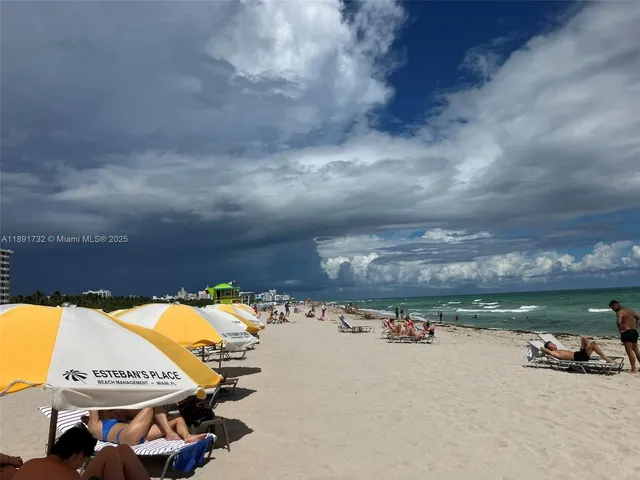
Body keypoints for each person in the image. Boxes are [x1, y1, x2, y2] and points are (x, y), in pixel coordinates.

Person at [14, 425, 151, 480]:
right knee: (112, 451)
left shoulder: (29, 464)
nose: (81, 465)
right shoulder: (69, 475)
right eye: (84, 460)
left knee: (120, 450)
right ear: (78, 455)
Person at [86, 407, 205, 446]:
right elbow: (93, 404)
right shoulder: (95, 426)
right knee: (153, 404)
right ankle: (169, 433)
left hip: (140, 435)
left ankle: (187, 436)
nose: (112, 411)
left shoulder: (116, 418)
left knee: (178, 419)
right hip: (126, 436)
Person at [609, 300, 640, 373]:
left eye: (612, 307)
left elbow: (619, 322)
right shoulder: (630, 310)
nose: (612, 309)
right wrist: (636, 327)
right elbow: (638, 318)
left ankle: (633, 369)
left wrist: (621, 331)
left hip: (626, 333)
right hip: (634, 332)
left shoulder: (619, 312)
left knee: (629, 351)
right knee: (636, 350)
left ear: (616, 305)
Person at [541, 337, 616, 363]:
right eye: (552, 344)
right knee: (593, 344)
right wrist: (544, 348)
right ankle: (606, 359)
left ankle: (588, 348)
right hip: (579, 357)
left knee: (584, 338)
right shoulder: (554, 353)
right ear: (549, 347)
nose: (554, 344)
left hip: (579, 354)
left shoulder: (558, 350)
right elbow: (542, 349)